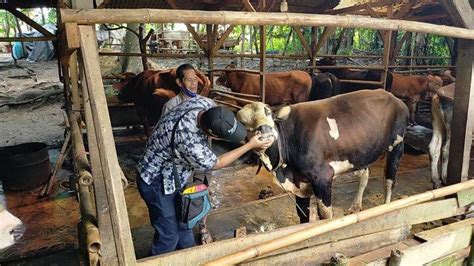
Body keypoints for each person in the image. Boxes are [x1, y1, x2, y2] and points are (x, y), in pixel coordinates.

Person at [137, 95, 272, 256]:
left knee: (185, 224)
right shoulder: (190, 141)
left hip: (175, 175)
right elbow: (216, 163)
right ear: (211, 135)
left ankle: (189, 257)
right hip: (155, 180)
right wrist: (250, 145)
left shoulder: (204, 103)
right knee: (169, 236)